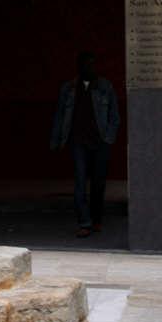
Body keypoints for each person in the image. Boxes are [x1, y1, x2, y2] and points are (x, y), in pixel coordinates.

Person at [50, 50, 120, 238]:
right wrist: (56, 140)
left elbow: (114, 115)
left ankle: (96, 219)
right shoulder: (69, 89)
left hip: (100, 142)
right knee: (80, 183)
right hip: (77, 142)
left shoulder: (105, 87)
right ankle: (84, 222)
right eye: (85, 64)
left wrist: (109, 138)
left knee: (98, 183)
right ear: (78, 67)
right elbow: (59, 116)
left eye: (92, 64)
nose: (88, 68)